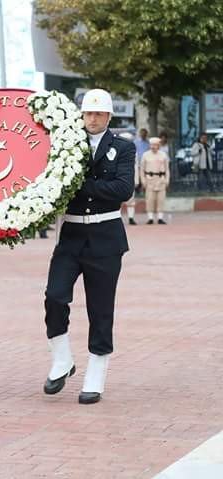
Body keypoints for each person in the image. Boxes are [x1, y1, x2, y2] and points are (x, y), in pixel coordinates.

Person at [43, 89, 135, 405]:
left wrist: (80, 185)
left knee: (100, 308)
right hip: (70, 235)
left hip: (106, 237)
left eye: (98, 114)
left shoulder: (122, 147)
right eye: (88, 113)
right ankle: (62, 358)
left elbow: (123, 189)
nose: (92, 119)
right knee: (54, 296)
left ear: (108, 116)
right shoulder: (67, 146)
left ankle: (96, 371)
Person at [140, 137, 170, 225]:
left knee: (161, 199)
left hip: (161, 179)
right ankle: (150, 218)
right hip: (150, 179)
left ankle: (160, 218)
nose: (153, 147)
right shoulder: (145, 155)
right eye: (152, 145)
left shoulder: (163, 155)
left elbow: (167, 168)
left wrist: (167, 180)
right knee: (150, 199)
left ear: (159, 145)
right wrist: (143, 180)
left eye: (156, 145)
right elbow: (142, 169)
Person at [118, 132, 138, 225]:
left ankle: (131, 217)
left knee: (131, 200)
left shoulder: (133, 152)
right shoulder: (114, 151)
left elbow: (136, 168)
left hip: (130, 179)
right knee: (117, 200)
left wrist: (137, 180)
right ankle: (118, 217)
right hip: (117, 179)